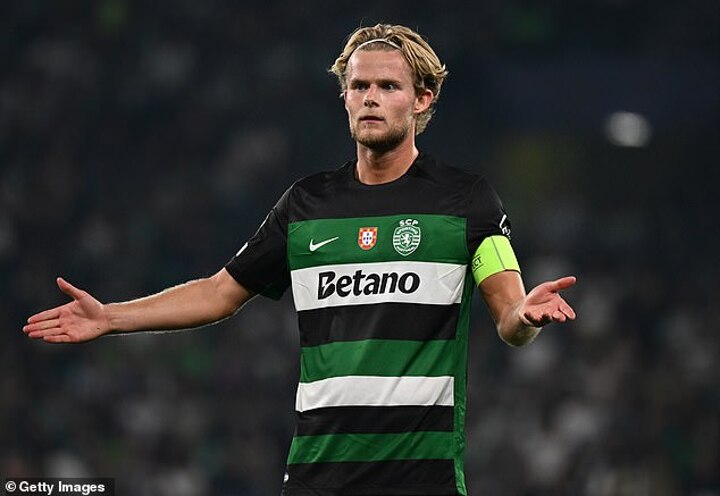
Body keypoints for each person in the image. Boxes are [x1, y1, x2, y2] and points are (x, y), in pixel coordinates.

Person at [24, 24, 576, 496]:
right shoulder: (307, 204)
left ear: (422, 99)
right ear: (344, 97)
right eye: (359, 86)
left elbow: (509, 317)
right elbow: (219, 293)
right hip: (317, 477)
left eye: (388, 86)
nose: (370, 98)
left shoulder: (467, 201)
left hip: (421, 478)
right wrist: (111, 317)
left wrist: (526, 315)